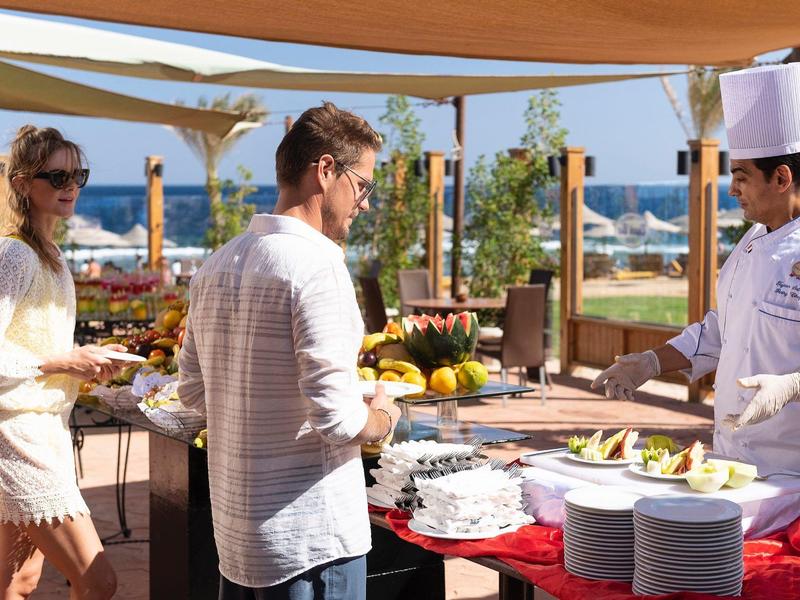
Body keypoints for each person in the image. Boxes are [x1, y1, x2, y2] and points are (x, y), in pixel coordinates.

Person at [178, 102, 399, 599]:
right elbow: (338, 422)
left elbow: (192, 392)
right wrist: (383, 416)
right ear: (325, 170)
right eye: (363, 185)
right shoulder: (319, 267)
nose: (364, 203)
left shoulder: (216, 264)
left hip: (238, 538)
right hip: (311, 539)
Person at [592, 64, 800, 475]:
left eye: (741, 177)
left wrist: (792, 386)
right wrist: (651, 362)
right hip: (732, 461)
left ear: (781, 177)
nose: (732, 190)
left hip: (791, 470)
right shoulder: (751, 242)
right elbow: (725, 332)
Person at [0, 125, 130, 598]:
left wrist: (89, 364)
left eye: (79, 175)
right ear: (21, 184)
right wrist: (64, 361)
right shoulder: (16, 254)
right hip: (17, 437)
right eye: (56, 177)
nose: (70, 186)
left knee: (18, 581)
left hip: (41, 430)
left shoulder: (51, 255)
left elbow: (39, 347)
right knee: (99, 581)